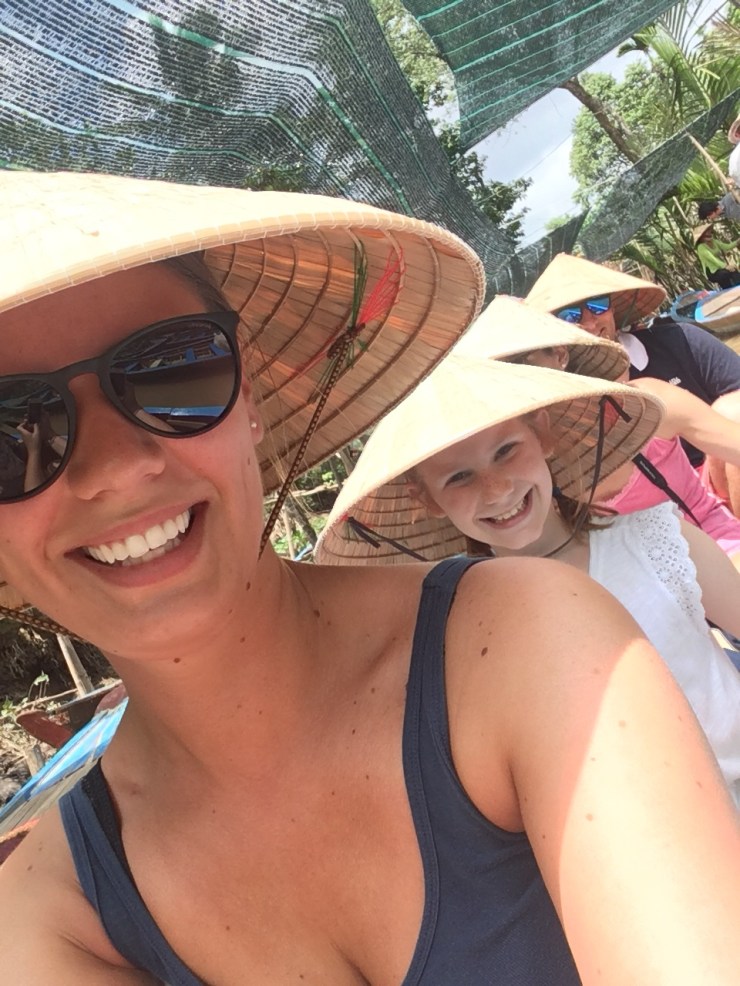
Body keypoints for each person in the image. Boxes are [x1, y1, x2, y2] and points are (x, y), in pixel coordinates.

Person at [1, 172, 739, 986]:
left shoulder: (524, 645)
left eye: (170, 371)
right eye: (10, 433)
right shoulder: (52, 919)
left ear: (250, 397)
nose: (116, 468)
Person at [314, 330, 740, 807]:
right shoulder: (462, 635)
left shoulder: (657, 540)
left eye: (506, 451)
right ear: (425, 498)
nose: (497, 490)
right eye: (459, 477)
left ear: (543, 433)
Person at [450, 296, 740, 569]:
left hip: (716, 544)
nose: (510, 382)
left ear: (559, 354)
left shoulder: (642, 405)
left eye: (518, 363)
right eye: (495, 374)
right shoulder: (511, 472)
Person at [525, 252, 740, 465]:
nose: (590, 323)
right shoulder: (563, 402)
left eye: (597, 305)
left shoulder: (681, 340)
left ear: (612, 308)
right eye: (569, 316)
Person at [693, 223, 740, 290]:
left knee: (733, 272)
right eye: (706, 233)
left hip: (720, 268)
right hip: (712, 272)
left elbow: (727, 247)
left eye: (710, 231)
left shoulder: (714, 241)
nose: (709, 233)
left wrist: (737, 242)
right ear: (701, 237)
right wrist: (726, 266)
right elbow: (712, 259)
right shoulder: (701, 247)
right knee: (726, 274)